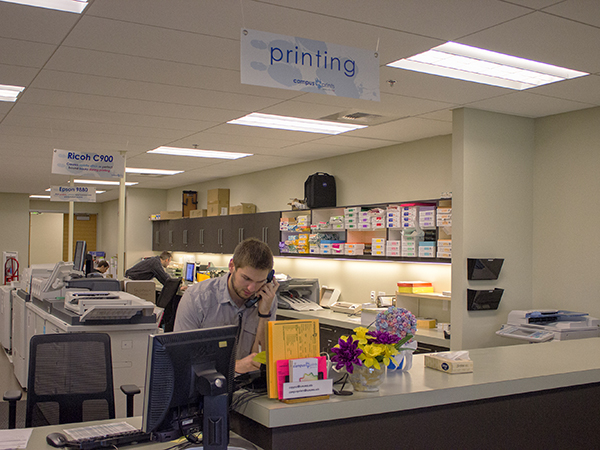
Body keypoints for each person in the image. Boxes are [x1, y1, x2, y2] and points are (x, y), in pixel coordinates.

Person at [174, 238, 279, 374]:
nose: (251, 288)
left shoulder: (267, 299)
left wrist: (264, 314)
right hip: (205, 385)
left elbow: (260, 360)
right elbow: (182, 359)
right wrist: (233, 366)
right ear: (232, 266)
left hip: (247, 387)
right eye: (246, 278)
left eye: (260, 281)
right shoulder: (197, 298)